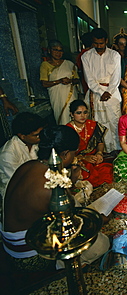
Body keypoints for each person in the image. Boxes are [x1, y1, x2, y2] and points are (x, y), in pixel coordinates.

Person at [1, 125, 110, 271]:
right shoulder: (54, 183)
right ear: (65, 154)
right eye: (74, 153)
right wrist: (100, 220)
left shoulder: (29, 165)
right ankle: (63, 267)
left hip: (10, 243)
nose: (74, 157)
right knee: (101, 244)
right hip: (29, 255)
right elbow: (74, 225)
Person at [82, 28, 122, 153]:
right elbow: (89, 78)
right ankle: (101, 150)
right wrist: (100, 92)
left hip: (112, 93)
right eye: (96, 43)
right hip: (95, 93)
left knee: (113, 121)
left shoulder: (115, 55)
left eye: (101, 43)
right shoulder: (86, 56)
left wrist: (108, 92)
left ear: (106, 41)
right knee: (98, 122)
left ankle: (116, 149)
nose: (99, 46)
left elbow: (116, 77)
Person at [66, 100, 113, 187]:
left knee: (109, 170)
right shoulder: (67, 130)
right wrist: (84, 158)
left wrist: (99, 153)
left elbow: (100, 142)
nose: (82, 116)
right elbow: (66, 154)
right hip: (77, 160)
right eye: (78, 113)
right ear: (72, 114)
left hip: (94, 157)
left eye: (85, 112)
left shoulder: (93, 125)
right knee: (88, 176)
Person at [0, 112, 44, 197]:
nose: (40, 137)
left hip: (35, 182)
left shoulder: (34, 143)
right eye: (36, 135)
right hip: (16, 192)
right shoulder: (7, 155)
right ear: (22, 136)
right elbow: (21, 181)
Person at [40, 40, 79, 125]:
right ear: (49, 51)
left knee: (74, 116)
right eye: (55, 50)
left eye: (60, 50)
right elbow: (44, 83)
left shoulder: (69, 64)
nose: (58, 53)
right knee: (62, 119)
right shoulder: (45, 65)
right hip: (57, 97)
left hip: (71, 95)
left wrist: (70, 81)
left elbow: (77, 79)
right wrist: (59, 81)